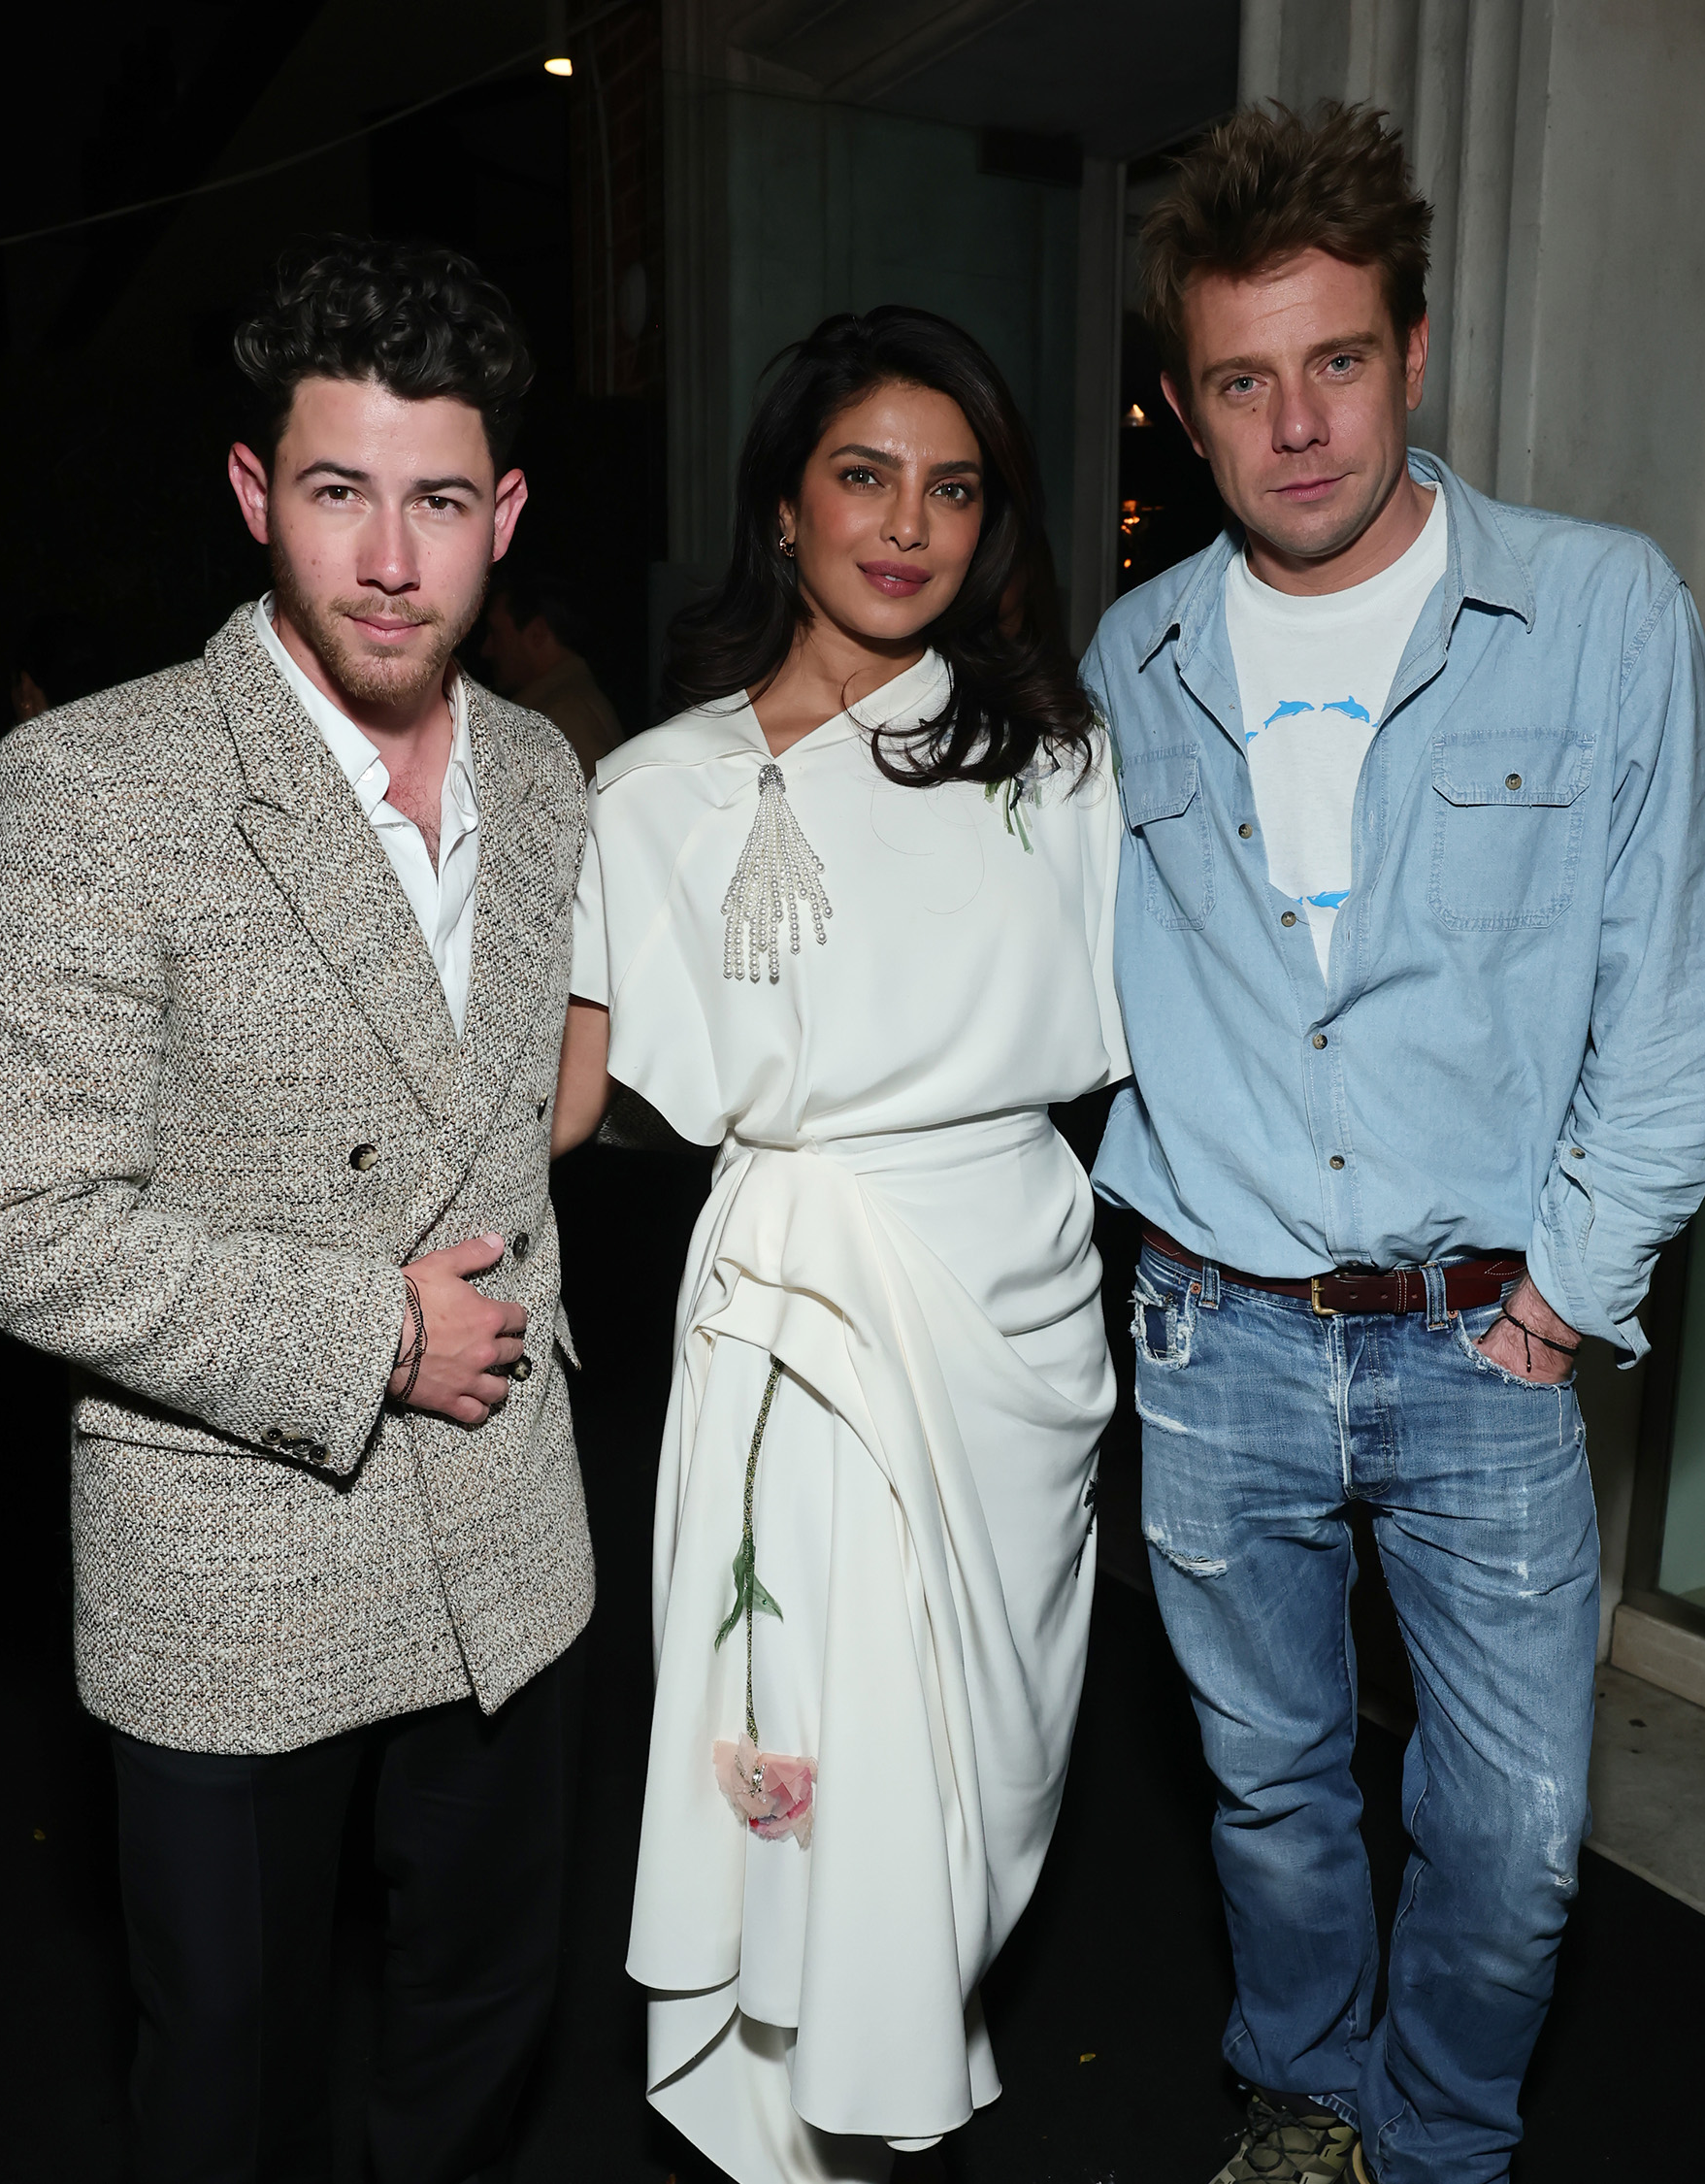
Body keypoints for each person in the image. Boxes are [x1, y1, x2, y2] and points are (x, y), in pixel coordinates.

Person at [1085, 101, 1705, 2184]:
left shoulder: (1598, 609)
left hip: (1484, 1339)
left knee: (1519, 1828)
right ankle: (1305, 2103)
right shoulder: (1133, 661)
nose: (1298, 426)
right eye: (1241, 382)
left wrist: (1568, 1292)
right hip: (1212, 1336)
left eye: (1339, 361)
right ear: (1182, 408)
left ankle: (1442, 2141)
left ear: (1416, 351)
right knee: (1270, 1790)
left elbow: (1673, 989)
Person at [0, 234, 583, 2184]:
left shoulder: (548, 774)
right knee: (227, 2084)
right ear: (252, 492)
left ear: (503, 516)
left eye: (438, 502)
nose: (387, 558)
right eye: (336, 491)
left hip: (509, 1541)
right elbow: (10, 1208)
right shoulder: (93, 782)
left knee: (479, 2033)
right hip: (234, 1563)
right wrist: (374, 1335)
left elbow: (518, 1110)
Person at [567, 306, 1126, 2180]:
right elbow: (569, 1094)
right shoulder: (656, 790)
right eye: (863, 476)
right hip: (796, 1305)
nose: (906, 525)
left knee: (972, 1786)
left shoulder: (1055, 764)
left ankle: (889, 2067)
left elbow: (1123, 1034)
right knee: (811, 1739)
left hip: (1012, 1306)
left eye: (953, 490)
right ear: (783, 507)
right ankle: (807, 2125)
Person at [482, 562, 627, 770]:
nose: (486, 650)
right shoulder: (569, 705)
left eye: (495, 634)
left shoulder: (563, 716)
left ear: (537, 633)